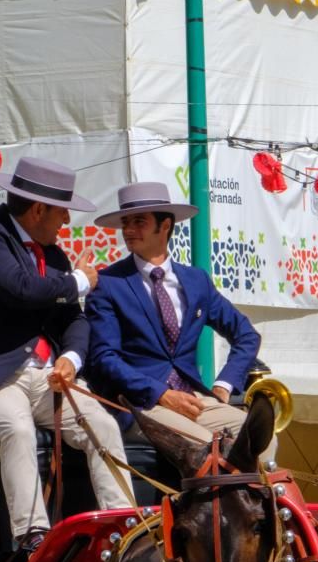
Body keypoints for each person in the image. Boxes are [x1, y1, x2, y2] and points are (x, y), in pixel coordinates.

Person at [0, 156, 132, 562]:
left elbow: (73, 320)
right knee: (18, 430)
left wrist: (72, 357)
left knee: (101, 424)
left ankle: (123, 526)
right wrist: (82, 280)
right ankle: (33, 538)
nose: (66, 219)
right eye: (62, 209)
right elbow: (23, 289)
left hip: (45, 375)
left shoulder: (54, 256)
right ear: (38, 209)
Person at [85, 181, 267, 454]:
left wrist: (224, 385)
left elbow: (246, 334)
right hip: (141, 404)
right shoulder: (108, 283)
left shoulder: (196, 281)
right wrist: (161, 394)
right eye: (126, 222)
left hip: (194, 398)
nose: (130, 230)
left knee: (260, 436)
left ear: (165, 226)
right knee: (206, 448)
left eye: (139, 221)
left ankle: (256, 498)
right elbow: (103, 358)